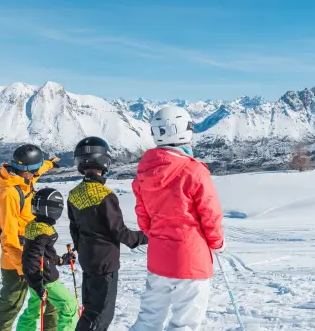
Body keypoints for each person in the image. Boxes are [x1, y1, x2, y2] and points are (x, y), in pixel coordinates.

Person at [129, 106, 225, 331]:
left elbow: (144, 219)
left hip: (159, 258)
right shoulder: (193, 171)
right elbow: (210, 214)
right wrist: (217, 243)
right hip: (191, 259)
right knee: (185, 324)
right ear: (184, 131)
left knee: (148, 319)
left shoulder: (144, 172)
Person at [67, 136, 149, 331]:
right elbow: (119, 231)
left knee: (90, 310)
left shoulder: (73, 194)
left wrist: (82, 250)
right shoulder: (105, 195)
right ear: (104, 162)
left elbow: (74, 229)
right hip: (105, 263)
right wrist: (147, 236)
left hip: (87, 261)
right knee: (101, 314)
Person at [0, 144, 61, 331]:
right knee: (10, 307)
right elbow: (8, 238)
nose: (37, 173)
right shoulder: (9, 194)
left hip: (35, 252)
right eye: (34, 170)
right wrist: (24, 268)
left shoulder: (23, 178)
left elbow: (38, 171)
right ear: (25, 170)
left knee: (51, 301)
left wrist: (49, 164)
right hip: (16, 261)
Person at [17, 187, 79, 331]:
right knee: (69, 305)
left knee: (33, 310)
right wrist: (38, 284)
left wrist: (62, 260)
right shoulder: (43, 232)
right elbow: (31, 260)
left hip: (36, 279)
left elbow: (45, 255)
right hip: (46, 280)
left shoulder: (35, 226)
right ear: (52, 210)